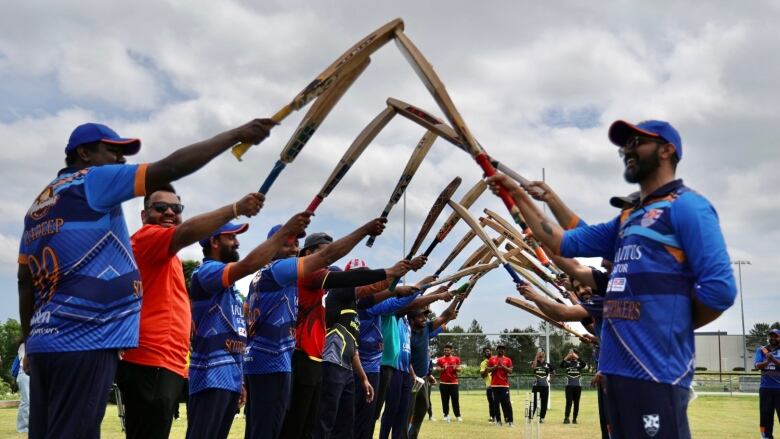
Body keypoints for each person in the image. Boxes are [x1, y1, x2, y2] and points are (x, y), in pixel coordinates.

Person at [17, 119, 275, 438]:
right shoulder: (92, 181)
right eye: (113, 152)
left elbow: (24, 281)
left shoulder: (38, 207)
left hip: (45, 343)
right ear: (84, 153)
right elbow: (168, 168)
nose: (120, 162)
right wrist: (235, 136)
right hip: (85, 339)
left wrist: (29, 343)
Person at [488, 119, 737, 438]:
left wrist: (667, 329)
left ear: (667, 150)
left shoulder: (688, 207)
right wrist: (517, 195)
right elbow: (564, 241)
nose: (626, 150)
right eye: (624, 144)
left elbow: (720, 291)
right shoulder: (627, 218)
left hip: (656, 374)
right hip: (615, 375)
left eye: (636, 142)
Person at [117, 184, 263, 439]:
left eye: (177, 208)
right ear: (144, 216)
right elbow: (244, 263)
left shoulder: (168, 256)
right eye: (160, 208)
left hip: (167, 364)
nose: (170, 213)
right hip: (152, 361)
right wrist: (236, 209)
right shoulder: (149, 237)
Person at [243, 220, 408, 439]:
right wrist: (386, 270)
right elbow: (346, 278)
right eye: (289, 245)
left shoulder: (268, 276)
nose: (295, 251)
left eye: (296, 245)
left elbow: (362, 288)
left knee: (281, 426)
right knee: (291, 427)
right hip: (296, 357)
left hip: (288, 358)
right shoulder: (302, 273)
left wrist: (393, 281)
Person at [187, 214, 309, 439]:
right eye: (231, 237)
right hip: (210, 377)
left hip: (229, 378)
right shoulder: (205, 272)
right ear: (215, 242)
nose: (237, 242)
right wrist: (284, 232)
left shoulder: (231, 291)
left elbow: (238, 334)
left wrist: (240, 379)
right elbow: (248, 265)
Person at [315, 258, 422, 439]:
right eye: (359, 275)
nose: (362, 279)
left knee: (346, 424)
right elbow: (373, 292)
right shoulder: (337, 293)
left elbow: (353, 347)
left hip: (347, 369)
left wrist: (364, 378)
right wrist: (394, 282)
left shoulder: (354, 305)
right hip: (330, 365)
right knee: (326, 422)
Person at [352, 278, 427, 439]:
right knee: (371, 412)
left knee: (374, 412)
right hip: (379, 365)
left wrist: (422, 287)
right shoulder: (384, 310)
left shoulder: (396, 315)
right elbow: (407, 302)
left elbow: (409, 299)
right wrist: (422, 287)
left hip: (385, 367)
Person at [408, 300, 460, 439]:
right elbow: (404, 357)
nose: (425, 319)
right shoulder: (406, 333)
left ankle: (412, 435)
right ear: (412, 320)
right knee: (407, 410)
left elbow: (444, 316)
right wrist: (413, 375)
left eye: (425, 316)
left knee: (423, 407)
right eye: (421, 316)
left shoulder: (426, 329)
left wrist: (457, 299)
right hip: (409, 378)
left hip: (423, 378)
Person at [755, 328, 780, 438]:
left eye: (775, 336)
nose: (773, 338)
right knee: (766, 417)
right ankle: (766, 436)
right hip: (765, 389)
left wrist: (773, 359)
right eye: (771, 336)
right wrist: (767, 361)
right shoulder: (761, 350)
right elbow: (757, 366)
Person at [487, 344, 514, 426]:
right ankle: (498, 421)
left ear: (504, 351)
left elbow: (510, 371)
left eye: (502, 349)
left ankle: (510, 421)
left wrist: (502, 366)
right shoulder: (492, 359)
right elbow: (488, 370)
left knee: (507, 403)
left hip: (504, 385)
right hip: (494, 386)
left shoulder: (508, 360)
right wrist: (495, 367)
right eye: (499, 349)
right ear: (497, 350)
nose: (501, 350)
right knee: (496, 404)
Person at [435, 344, 463, 423]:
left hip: (453, 383)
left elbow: (460, 368)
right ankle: (446, 415)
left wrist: (456, 368)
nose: (446, 351)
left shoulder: (456, 359)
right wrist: (443, 368)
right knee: (444, 400)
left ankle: (458, 416)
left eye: (448, 350)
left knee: (455, 400)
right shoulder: (440, 359)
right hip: (443, 383)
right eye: (445, 350)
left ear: (451, 350)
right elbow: (437, 369)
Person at [560, 349, 587, 424]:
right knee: (569, 402)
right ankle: (566, 418)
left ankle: (574, 419)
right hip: (569, 386)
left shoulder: (579, 364)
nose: (571, 355)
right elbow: (561, 365)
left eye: (573, 354)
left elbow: (584, 364)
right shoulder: (567, 363)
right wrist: (566, 357)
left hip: (578, 386)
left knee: (576, 403)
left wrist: (577, 357)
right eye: (570, 354)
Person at [530, 351, 554, 423]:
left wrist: (551, 379)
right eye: (539, 357)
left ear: (544, 357)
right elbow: (533, 367)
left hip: (545, 386)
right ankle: (530, 417)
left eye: (541, 356)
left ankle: (542, 418)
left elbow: (554, 372)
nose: (540, 358)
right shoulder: (535, 363)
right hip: (536, 386)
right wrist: (536, 356)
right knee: (534, 402)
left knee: (544, 403)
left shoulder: (548, 365)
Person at [13, 341, 29, 433]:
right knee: (26, 401)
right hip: (24, 375)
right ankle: (22, 428)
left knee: (31, 402)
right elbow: (24, 361)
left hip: (33, 375)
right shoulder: (24, 345)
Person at [479, 347, 497, 423]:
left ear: (491, 352)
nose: (487, 352)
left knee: (498, 402)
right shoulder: (483, 363)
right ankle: (492, 417)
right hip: (489, 386)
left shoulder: (496, 359)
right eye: (485, 352)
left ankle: (499, 417)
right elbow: (482, 375)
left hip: (497, 385)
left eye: (488, 351)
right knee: (491, 402)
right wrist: (486, 368)